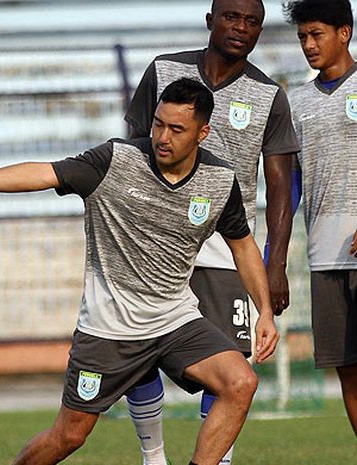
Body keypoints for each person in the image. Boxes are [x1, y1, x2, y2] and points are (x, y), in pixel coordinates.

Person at [0, 78, 279, 465]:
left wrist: (265, 311)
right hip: (110, 329)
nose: (162, 137)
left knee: (240, 383)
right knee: (69, 435)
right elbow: (45, 173)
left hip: (175, 319)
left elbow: (242, 243)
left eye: (176, 129)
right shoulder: (115, 161)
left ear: (203, 133)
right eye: (158, 124)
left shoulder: (220, 180)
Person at [123, 1, 299, 463]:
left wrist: (273, 264)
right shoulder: (163, 72)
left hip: (227, 248)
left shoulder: (268, 96)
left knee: (232, 365)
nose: (241, 28)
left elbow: (280, 187)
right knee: (136, 348)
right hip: (156, 240)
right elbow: (131, 151)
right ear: (210, 20)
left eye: (252, 22)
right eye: (231, 17)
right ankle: (153, 457)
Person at [284, 0, 357, 436]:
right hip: (325, 256)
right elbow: (289, 182)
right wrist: (273, 256)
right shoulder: (297, 101)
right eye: (302, 38)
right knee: (348, 371)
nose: (308, 45)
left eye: (316, 34)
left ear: (344, 32)